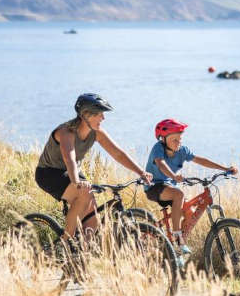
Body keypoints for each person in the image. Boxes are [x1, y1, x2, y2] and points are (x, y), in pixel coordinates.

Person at [35, 93, 152, 242]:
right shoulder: (66, 132)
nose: (103, 118)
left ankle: (83, 252)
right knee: (84, 192)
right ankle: (66, 242)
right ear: (85, 115)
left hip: (72, 173)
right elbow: (69, 158)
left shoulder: (96, 133)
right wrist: (77, 181)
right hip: (49, 173)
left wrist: (140, 172)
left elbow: (118, 154)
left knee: (93, 215)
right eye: (99, 114)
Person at [144, 119, 237, 254]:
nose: (178, 143)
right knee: (179, 194)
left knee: (190, 213)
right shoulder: (158, 148)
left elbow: (200, 160)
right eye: (174, 140)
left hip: (169, 185)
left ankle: (177, 249)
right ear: (163, 139)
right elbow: (161, 164)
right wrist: (174, 176)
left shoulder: (182, 151)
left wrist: (224, 168)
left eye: (180, 139)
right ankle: (177, 236)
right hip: (153, 187)